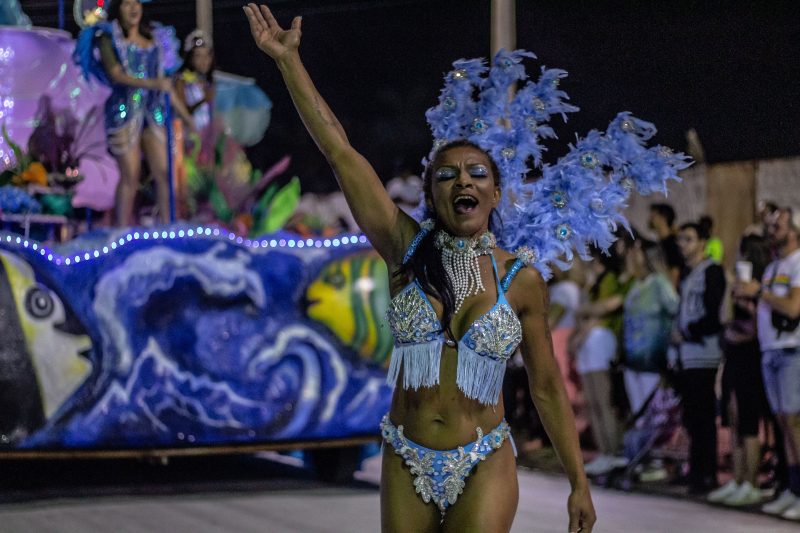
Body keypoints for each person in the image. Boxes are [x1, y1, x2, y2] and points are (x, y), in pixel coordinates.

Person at [243, 4, 687, 530]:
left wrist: (578, 481)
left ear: (495, 193)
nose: (463, 182)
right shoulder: (404, 248)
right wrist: (288, 62)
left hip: (484, 459)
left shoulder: (520, 280)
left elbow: (545, 387)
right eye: (447, 175)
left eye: (477, 173)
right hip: (406, 454)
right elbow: (340, 150)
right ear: (431, 193)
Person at [74, 0, 193, 226]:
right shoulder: (108, 38)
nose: (133, 8)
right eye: (127, 3)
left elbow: (166, 86)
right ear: (118, 7)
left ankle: (169, 228)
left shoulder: (156, 39)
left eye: (137, 2)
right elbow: (116, 75)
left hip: (154, 112)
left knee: (164, 173)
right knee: (131, 175)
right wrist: (153, 83)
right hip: (124, 112)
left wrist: (188, 120)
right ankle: (120, 232)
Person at [736, 208, 800, 520]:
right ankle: (792, 489)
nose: (772, 228)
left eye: (779, 224)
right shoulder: (775, 265)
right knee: (784, 426)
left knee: (795, 424)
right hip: (771, 349)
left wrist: (759, 292)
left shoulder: (799, 262)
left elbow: (792, 307)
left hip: (792, 350)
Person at [707, 233, 771, 506]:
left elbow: (757, 328)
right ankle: (738, 478)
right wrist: (731, 287)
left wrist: (749, 294)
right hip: (733, 353)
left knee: (747, 419)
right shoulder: (738, 283)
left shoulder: (761, 285)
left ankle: (751, 481)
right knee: (732, 417)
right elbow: (725, 318)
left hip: (751, 355)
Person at [675, 221, 726, 494]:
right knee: (693, 416)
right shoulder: (688, 272)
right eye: (681, 239)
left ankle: (706, 474)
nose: (683, 245)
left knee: (704, 417)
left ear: (703, 243)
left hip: (704, 353)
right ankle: (696, 470)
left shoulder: (712, 271)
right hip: (689, 354)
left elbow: (714, 314)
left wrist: (688, 331)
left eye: (689, 239)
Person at [571, 245, 631, 476]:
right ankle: (604, 451)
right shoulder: (593, 281)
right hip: (588, 341)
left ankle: (614, 451)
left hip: (600, 339)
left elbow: (600, 312)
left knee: (604, 399)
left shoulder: (609, 278)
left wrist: (579, 334)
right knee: (592, 400)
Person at [622, 239, 679, 415]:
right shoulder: (634, 286)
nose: (629, 258)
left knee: (656, 417)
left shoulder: (659, 283)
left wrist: (672, 356)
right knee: (640, 416)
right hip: (632, 363)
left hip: (653, 363)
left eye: (635, 255)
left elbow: (676, 312)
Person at [175, 29, 216, 135]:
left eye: (207, 55)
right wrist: (203, 100)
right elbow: (182, 111)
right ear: (190, 58)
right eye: (198, 56)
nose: (204, 61)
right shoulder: (182, 80)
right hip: (190, 137)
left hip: (208, 136)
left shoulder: (208, 81)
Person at [649, 203, 684, 289]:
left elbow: (675, 273)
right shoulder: (662, 243)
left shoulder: (672, 243)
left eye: (654, 215)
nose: (650, 218)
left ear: (663, 217)